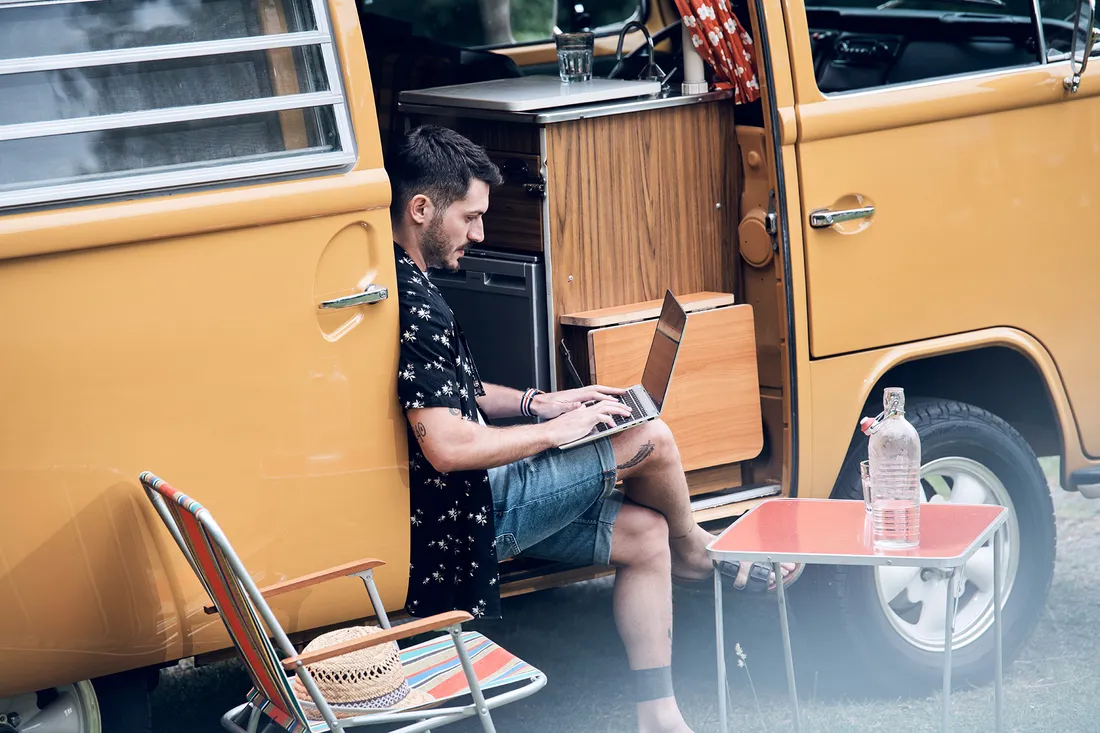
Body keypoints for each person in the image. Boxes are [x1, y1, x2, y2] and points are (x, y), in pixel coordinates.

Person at [390, 125, 797, 733]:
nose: (479, 233)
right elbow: (447, 446)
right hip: (467, 511)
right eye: (470, 218)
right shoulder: (414, 302)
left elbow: (460, 396)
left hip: (475, 494)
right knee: (647, 438)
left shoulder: (405, 281)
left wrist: (543, 404)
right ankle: (700, 554)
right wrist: (560, 434)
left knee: (642, 533)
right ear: (422, 208)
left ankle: (658, 716)